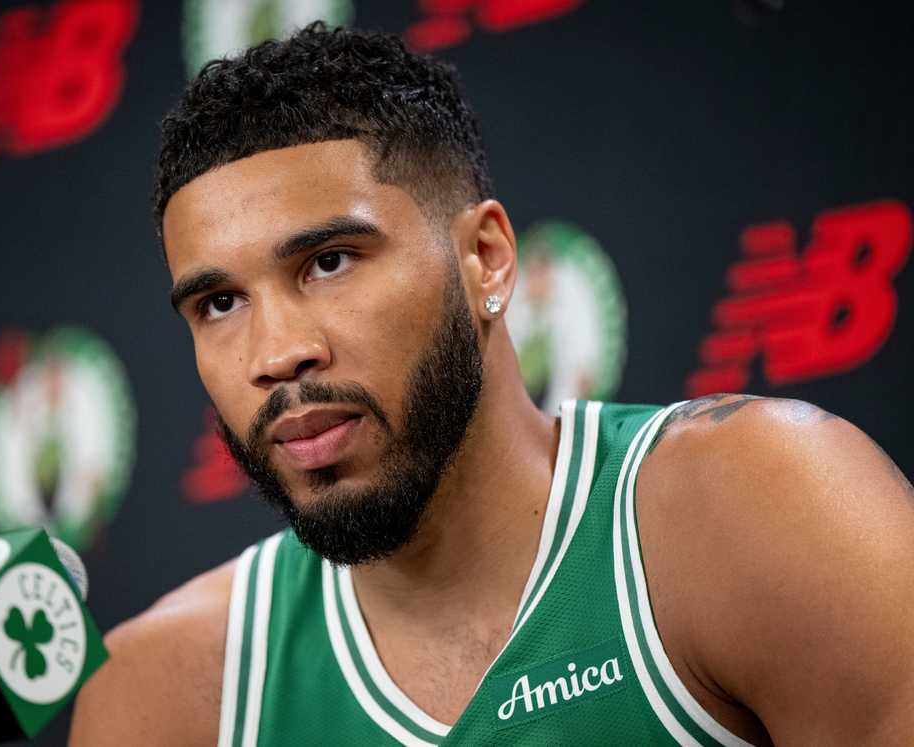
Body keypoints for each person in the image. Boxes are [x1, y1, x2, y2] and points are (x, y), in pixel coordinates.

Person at [70, 23, 914, 746]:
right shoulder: (166, 695)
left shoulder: (757, 511)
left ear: (486, 259)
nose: (277, 353)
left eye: (329, 262)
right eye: (220, 303)